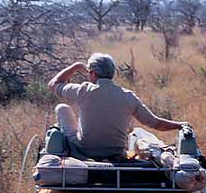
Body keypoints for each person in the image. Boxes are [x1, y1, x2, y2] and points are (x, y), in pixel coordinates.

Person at [47, 53, 187, 160]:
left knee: (62, 108)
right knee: (133, 128)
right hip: (116, 152)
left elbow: (54, 84)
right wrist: (180, 125)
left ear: (93, 73)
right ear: (112, 73)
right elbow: (156, 123)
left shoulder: (83, 90)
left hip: (85, 149)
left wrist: (76, 66)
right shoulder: (128, 96)